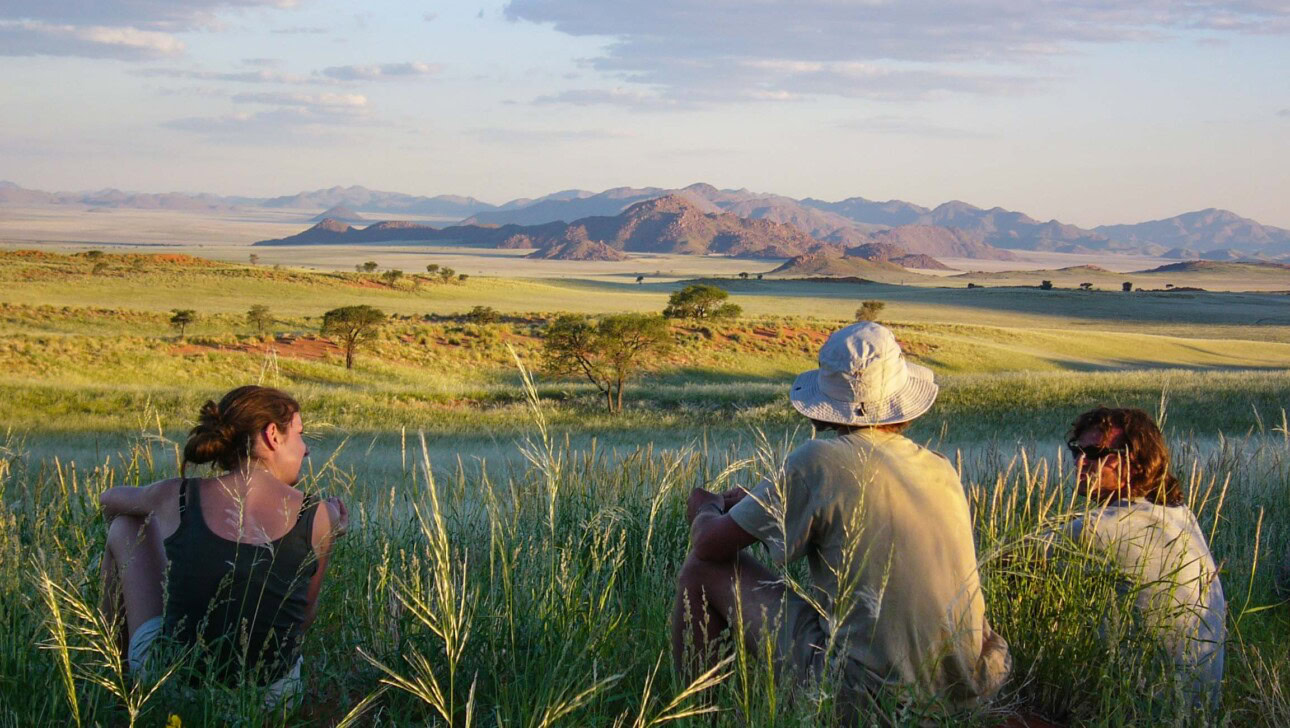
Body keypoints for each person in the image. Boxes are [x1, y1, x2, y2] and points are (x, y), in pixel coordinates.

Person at [671, 322, 1010, 721]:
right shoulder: (940, 468)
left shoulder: (817, 460)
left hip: (871, 701)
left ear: (827, 407)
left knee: (700, 571)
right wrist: (760, 507)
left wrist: (705, 505)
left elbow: (709, 544)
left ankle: (694, 714)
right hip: (970, 691)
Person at [98, 385, 347, 707]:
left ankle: (114, 679)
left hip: (177, 689)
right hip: (272, 698)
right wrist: (330, 534)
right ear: (273, 435)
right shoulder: (319, 514)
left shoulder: (178, 495)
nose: (306, 450)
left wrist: (171, 532)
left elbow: (108, 502)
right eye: (300, 435)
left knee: (125, 526)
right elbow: (300, 621)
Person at [1058, 407, 1225, 709]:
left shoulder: (1102, 528)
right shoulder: (1180, 516)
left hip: (1146, 712)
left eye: (1096, 452)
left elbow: (1002, 562)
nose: (1081, 462)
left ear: (1135, 462)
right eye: (1076, 450)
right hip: (1199, 711)